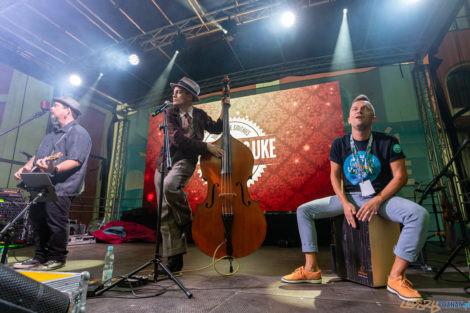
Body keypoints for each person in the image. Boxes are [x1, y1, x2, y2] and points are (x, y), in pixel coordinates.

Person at [281, 94, 429, 302]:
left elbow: (400, 177)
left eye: (365, 108)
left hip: (381, 198)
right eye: (355, 109)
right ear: (349, 119)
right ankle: (311, 269)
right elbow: (334, 176)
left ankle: (395, 277)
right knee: (304, 210)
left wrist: (378, 199)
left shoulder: (388, 141)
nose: (359, 111)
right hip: (350, 196)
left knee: (419, 214)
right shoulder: (339, 144)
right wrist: (344, 202)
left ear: (373, 118)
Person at [154, 77, 227, 273]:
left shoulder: (200, 115)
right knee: (165, 213)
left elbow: (217, 127)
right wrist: (205, 146)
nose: (174, 95)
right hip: (164, 163)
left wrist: (223, 107)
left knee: (170, 186)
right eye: (174, 92)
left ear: (189, 96)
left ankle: (187, 221)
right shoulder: (169, 113)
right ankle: (174, 262)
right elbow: (176, 139)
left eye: (178, 92)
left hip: (185, 160)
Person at [13, 97, 92, 270]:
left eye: (55, 106)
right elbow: (37, 156)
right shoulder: (52, 134)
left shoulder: (79, 133)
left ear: (68, 110)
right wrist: (25, 168)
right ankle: (39, 257)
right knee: (38, 221)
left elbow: (75, 160)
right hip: (42, 185)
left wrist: (53, 169)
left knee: (55, 222)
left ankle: (57, 257)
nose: (51, 109)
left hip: (62, 187)